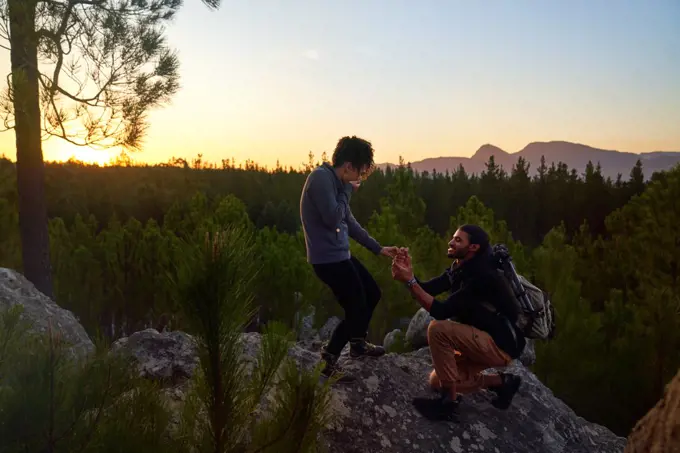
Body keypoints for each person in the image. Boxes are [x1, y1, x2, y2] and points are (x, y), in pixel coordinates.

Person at [391, 224, 525, 421]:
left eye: (458, 240)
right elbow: (430, 288)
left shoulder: (481, 275)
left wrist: (411, 282)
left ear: (474, 247)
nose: (451, 242)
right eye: (453, 238)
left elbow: (440, 311)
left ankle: (447, 405)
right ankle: (502, 382)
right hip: (481, 337)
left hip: (499, 344)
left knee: (438, 329)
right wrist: (408, 276)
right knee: (438, 381)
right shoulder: (462, 266)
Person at [300, 135, 399, 382]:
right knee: (355, 306)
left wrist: (378, 248)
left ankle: (357, 343)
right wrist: (346, 190)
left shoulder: (334, 181)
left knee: (372, 293)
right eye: (361, 173)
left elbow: (349, 222)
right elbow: (333, 218)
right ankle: (329, 359)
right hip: (327, 260)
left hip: (340, 256)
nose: (360, 179)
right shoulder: (322, 179)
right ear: (348, 166)